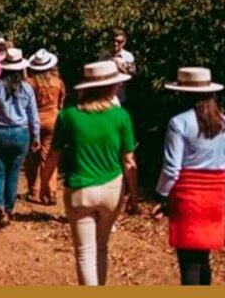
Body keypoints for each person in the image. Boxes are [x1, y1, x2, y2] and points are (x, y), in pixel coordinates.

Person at [40, 61, 139, 286]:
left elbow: (53, 155)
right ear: (111, 88)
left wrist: (45, 183)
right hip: (112, 189)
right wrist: (133, 195)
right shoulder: (121, 116)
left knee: (85, 253)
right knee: (101, 247)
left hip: (80, 189)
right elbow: (128, 160)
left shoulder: (69, 116)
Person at [153, 67, 225, 285]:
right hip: (216, 193)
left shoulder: (179, 122)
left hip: (188, 194)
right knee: (203, 255)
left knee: (188, 259)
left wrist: (161, 195)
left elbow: (172, 167)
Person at [0, 48, 39, 229]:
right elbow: (33, 116)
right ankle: (9, 210)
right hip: (21, 133)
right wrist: (35, 136)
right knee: (13, 174)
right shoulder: (27, 88)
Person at [24, 49, 66, 204]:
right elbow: (61, 103)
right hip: (53, 120)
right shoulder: (58, 82)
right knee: (49, 157)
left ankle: (32, 189)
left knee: (32, 157)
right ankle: (51, 190)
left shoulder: (30, 82)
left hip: (34, 120)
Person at [98, 28, 135, 105]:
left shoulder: (128, 56)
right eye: (113, 41)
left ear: (124, 42)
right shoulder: (103, 56)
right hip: (105, 97)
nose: (115, 44)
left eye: (119, 42)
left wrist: (118, 65)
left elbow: (132, 76)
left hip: (122, 96)